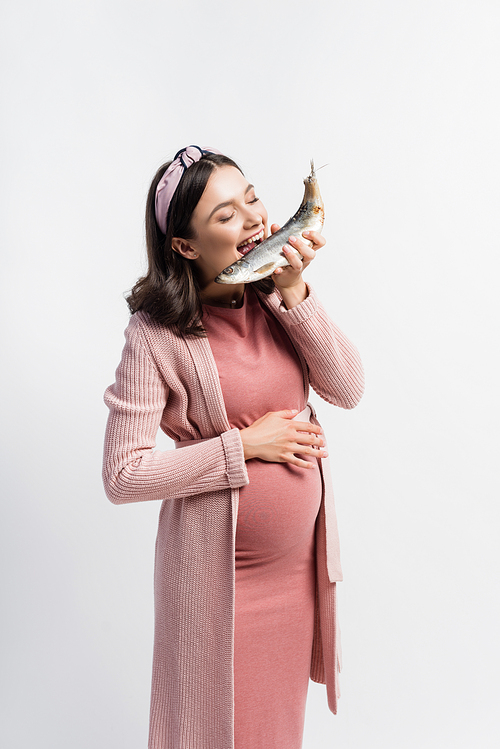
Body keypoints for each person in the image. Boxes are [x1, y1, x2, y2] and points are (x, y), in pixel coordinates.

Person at [102, 145, 364, 749]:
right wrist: (241, 446)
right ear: (186, 246)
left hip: (295, 576)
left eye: (252, 199)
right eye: (225, 215)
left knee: (274, 736)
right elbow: (123, 474)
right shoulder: (154, 334)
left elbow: (346, 387)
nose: (253, 220)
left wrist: (294, 292)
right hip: (221, 585)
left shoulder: (275, 295)